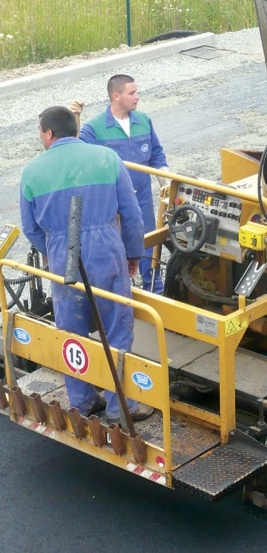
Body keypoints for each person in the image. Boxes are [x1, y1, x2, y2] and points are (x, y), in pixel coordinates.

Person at [20, 106, 154, 424]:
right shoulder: (106, 159)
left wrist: (53, 251)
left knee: (72, 330)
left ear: (49, 133)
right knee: (117, 328)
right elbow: (132, 213)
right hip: (105, 250)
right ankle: (121, 406)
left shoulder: (32, 172)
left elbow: (30, 228)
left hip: (62, 253)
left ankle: (82, 401)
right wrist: (133, 255)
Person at [76, 74, 169, 294]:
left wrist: (167, 184)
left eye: (137, 91)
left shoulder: (144, 121)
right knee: (114, 247)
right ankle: (119, 292)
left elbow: (157, 155)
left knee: (146, 239)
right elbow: (75, 152)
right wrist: (75, 122)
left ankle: (154, 289)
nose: (137, 96)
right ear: (116, 96)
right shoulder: (95, 128)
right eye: (132, 92)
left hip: (143, 199)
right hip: (113, 203)